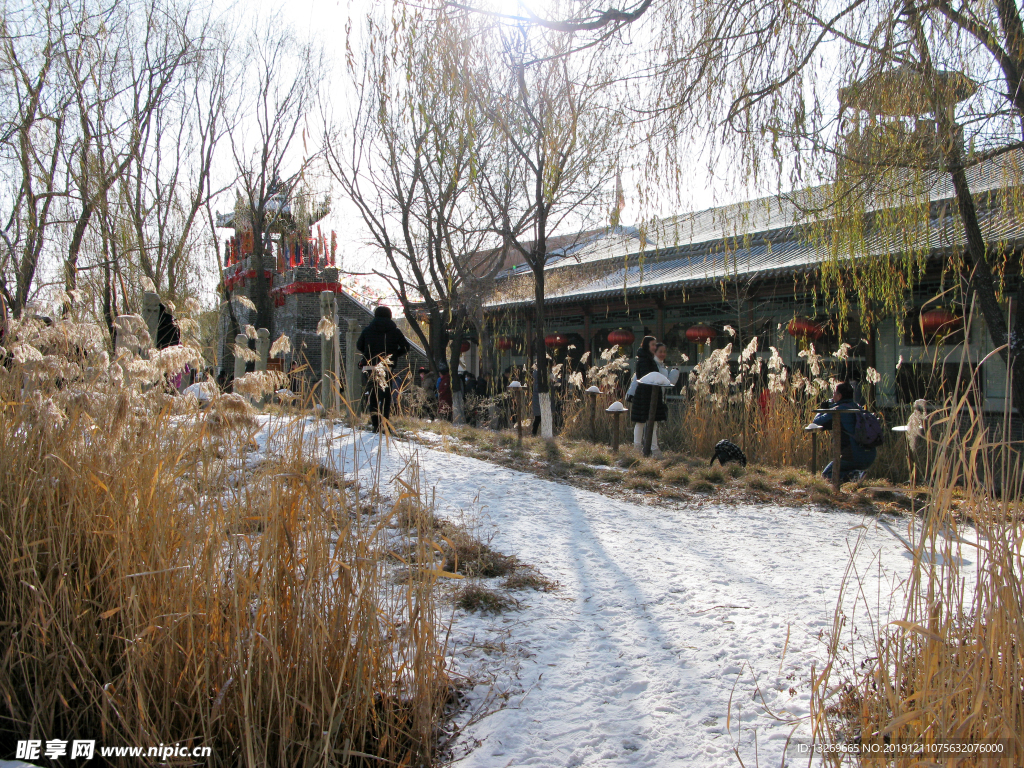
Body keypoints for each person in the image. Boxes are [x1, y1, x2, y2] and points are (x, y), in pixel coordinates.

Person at [356, 305, 410, 433]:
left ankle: (375, 425)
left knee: (373, 397)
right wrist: (394, 355)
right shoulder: (395, 331)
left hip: (370, 367)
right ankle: (384, 424)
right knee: (385, 397)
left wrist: (368, 354)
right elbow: (406, 347)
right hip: (386, 368)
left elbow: (359, 345)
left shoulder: (368, 330)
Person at [812, 381, 877, 483]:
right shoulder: (857, 407)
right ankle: (856, 474)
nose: (832, 396)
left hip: (854, 455)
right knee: (840, 469)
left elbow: (816, 422)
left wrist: (823, 409)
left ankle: (855, 475)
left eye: (834, 393)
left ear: (839, 396)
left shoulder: (838, 410)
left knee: (827, 475)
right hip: (870, 455)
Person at [630, 336, 665, 455]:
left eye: (655, 345)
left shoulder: (650, 359)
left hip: (651, 394)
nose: (655, 347)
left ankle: (654, 449)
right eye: (652, 345)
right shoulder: (644, 360)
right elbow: (646, 378)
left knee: (653, 422)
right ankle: (637, 448)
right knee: (641, 422)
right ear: (646, 345)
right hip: (644, 394)